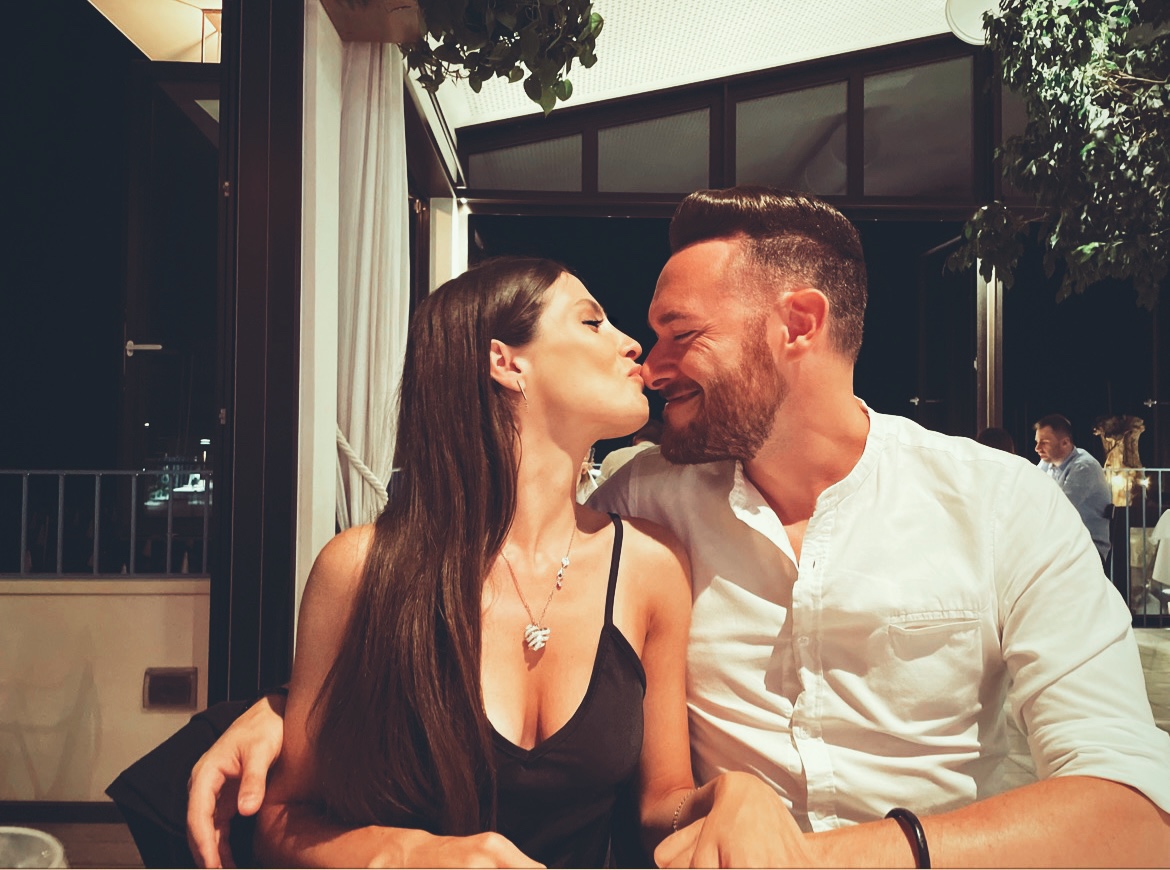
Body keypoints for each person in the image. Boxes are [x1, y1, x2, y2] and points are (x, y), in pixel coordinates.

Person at [188, 189, 1170, 867]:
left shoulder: (1005, 505)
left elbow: (1138, 817)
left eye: (679, 335)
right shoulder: (646, 503)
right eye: (628, 331)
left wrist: (828, 858)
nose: (649, 366)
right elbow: (473, 577)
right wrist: (295, 702)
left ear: (798, 325)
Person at [235, 257, 760, 868]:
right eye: (592, 322)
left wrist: (728, 796)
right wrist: (403, 853)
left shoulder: (650, 565)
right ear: (507, 363)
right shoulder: (360, 569)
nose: (631, 345)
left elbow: (658, 806)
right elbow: (281, 818)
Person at [1033, 413, 1113, 560]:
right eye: (1037, 442)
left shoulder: (1084, 467)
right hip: (1062, 545)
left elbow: (1060, 509)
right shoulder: (1046, 463)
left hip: (1088, 551)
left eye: (1044, 443)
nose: (1037, 448)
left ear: (1065, 442)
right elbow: (1030, 495)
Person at [595, 419, 663, 486]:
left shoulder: (614, 456)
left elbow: (596, 489)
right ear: (661, 442)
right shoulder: (665, 462)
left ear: (634, 439)